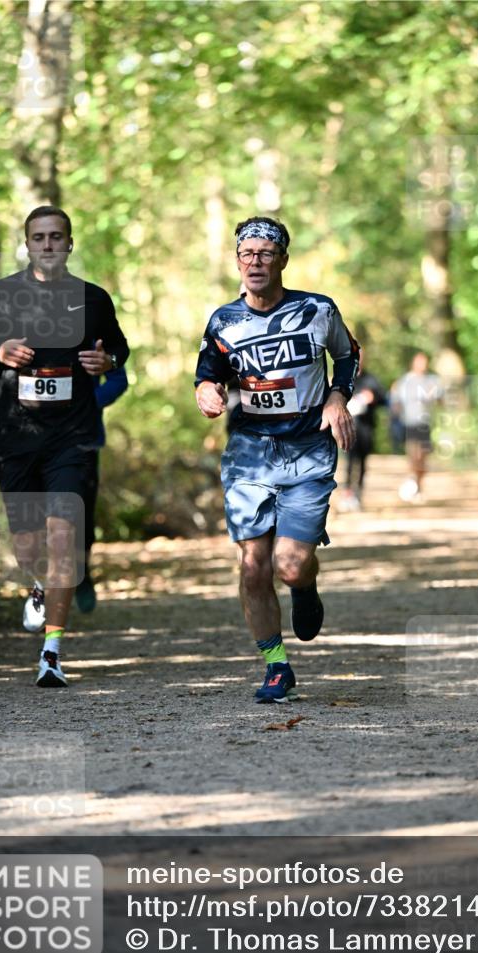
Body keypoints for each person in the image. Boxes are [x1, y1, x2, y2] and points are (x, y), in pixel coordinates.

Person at [0, 205, 130, 687]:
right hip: (17, 439)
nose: (48, 245)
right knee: (29, 545)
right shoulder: (2, 295)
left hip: (73, 437)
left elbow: (120, 348)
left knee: (64, 534)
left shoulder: (93, 299)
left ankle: (52, 653)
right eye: (39, 238)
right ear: (27, 245)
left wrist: (105, 359)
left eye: (56, 237)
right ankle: (36, 585)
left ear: (70, 244)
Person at [194, 216, 359, 703]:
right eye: (247, 254)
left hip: (307, 450)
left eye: (266, 253)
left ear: (283, 259)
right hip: (249, 453)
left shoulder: (317, 310)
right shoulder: (224, 321)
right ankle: (275, 665)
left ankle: (304, 587)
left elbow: (348, 356)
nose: (256, 262)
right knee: (252, 566)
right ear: (237, 261)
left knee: (289, 565)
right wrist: (207, 391)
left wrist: (337, 397)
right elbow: (209, 372)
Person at [75, 363, 129, 613]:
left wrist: (85, 405)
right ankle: (43, 585)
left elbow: (119, 379)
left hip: (84, 441)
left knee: (81, 516)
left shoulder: (93, 327)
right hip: (34, 440)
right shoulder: (27, 328)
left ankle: (81, 574)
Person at [390, 351, 444, 502]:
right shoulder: (405, 381)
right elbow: (396, 401)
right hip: (410, 423)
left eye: (424, 362)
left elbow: (441, 400)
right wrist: (396, 416)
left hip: (425, 424)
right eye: (419, 361)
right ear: (413, 363)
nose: (422, 365)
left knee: (423, 457)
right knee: (414, 455)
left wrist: (435, 397)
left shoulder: (432, 381)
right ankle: (413, 482)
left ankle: (418, 485)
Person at [338, 349, 388, 511]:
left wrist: (372, 398)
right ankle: (347, 493)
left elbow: (384, 399)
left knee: (363, 462)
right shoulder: (344, 378)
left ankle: (358, 493)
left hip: (366, 429)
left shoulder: (371, 380)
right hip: (348, 429)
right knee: (349, 462)